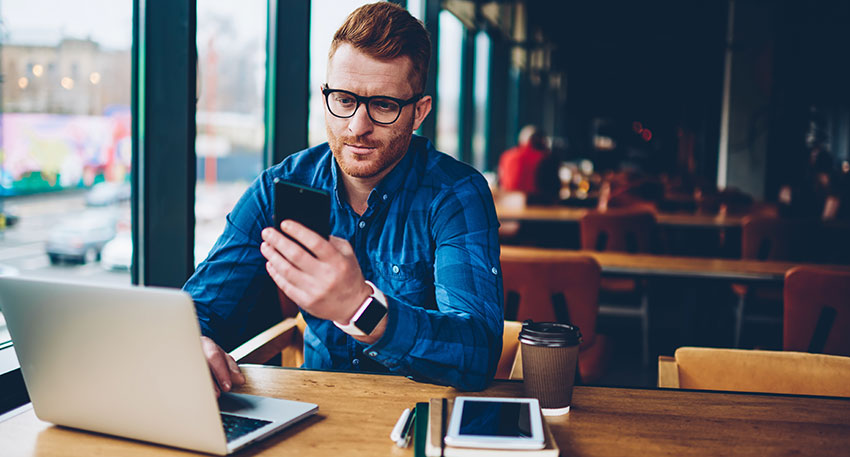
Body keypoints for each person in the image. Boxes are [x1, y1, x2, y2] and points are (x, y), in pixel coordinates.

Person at [183, 2, 503, 394]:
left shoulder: (455, 194)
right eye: (344, 100)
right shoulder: (279, 186)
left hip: (421, 420)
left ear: (418, 112)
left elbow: (478, 353)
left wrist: (361, 309)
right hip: (315, 412)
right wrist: (191, 344)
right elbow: (199, 307)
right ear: (325, 97)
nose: (357, 126)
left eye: (383, 105)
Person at [497, 125, 551, 196]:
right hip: (533, 202)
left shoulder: (506, 155)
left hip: (508, 200)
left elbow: (501, 181)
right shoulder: (543, 157)